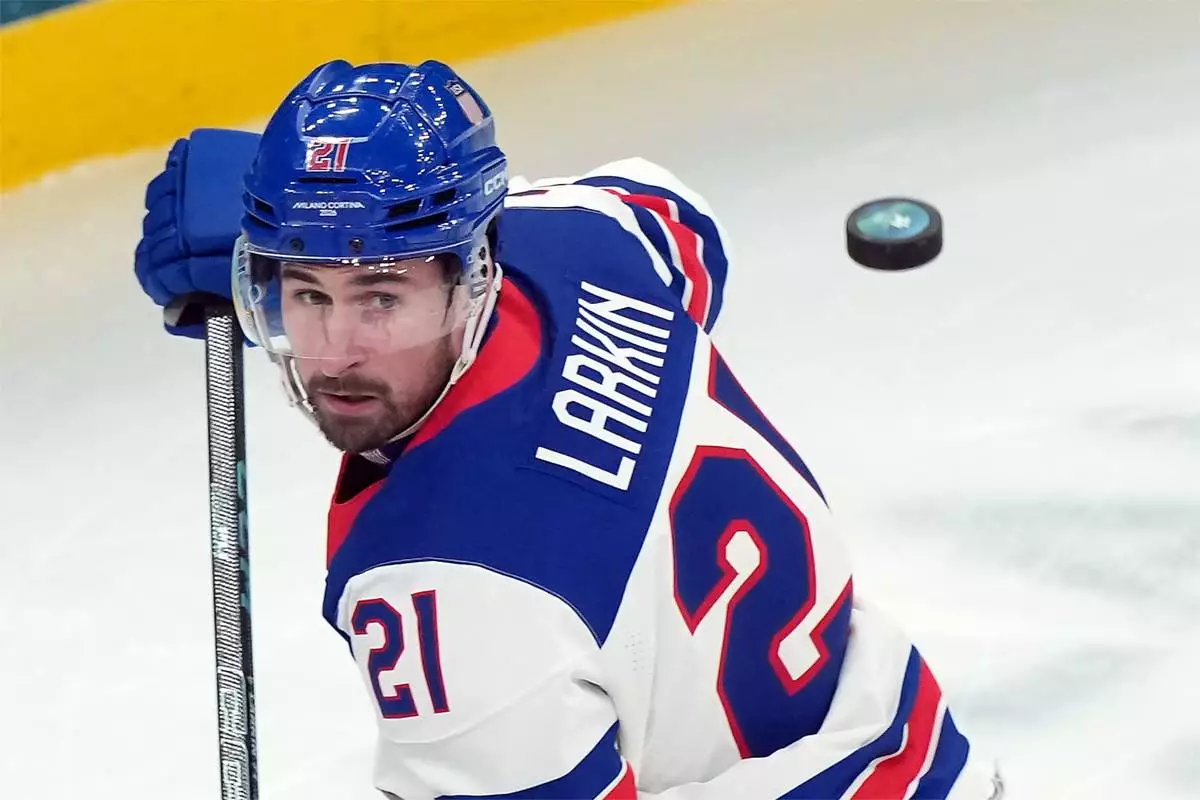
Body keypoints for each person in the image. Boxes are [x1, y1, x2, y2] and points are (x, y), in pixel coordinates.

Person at [135, 60, 1002, 799]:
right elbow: (679, 219)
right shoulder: (585, 235)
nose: (333, 353)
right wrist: (337, 209)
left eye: (381, 297)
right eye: (307, 291)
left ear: (470, 279)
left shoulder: (448, 592)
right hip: (910, 757)